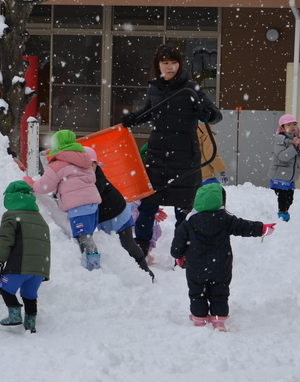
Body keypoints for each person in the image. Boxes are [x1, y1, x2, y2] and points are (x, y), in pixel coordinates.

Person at [121, 44, 222, 257]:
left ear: (179, 64)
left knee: (183, 208)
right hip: (157, 155)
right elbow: (148, 111)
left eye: (173, 62)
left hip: (185, 156)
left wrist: (205, 112)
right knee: (148, 204)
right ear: (158, 65)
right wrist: (132, 118)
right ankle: (142, 248)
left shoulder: (191, 88)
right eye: (165, 62)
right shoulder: (154, 88)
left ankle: (183, 251)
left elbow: (215, 115)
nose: (170, 67)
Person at [170, 183, 275, 332]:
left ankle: (199, 320)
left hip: (196, 268)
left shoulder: (188, 223)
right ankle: (219, 322)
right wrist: (262, 228)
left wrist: (179, 256)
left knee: (197, 293)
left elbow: (176, 248)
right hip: (220, 267)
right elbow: (243, 226)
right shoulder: (225, 219)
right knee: (219, 292)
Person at [24, 130, 102, 270]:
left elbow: (45, 186)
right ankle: (90, 262)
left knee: (83, 237)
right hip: (91, 204)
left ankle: (94, 267)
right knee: (87, 235)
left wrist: (31, 185)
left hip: (79, 207)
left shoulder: (58, 164)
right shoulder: (84, 159)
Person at [84, 146, 155, 281]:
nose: (89, 168)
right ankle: (121, 273)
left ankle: (146, 272)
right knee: (114, 245)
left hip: (118, 214)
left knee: (128, 244)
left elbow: (90, 196)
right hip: (106, 217)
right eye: (85, 165)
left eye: (92, 165)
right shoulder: (85, 178)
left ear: (96, 165)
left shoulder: (98, 179)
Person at [0, 181, 50, 333]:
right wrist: (44, 270)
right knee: (29, 295)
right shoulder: (40, 218)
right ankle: (30, 323)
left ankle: (15, 315)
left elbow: (6, 242)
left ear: (10, 198)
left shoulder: (11, 215)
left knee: (5, 288)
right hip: (39, 268)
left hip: (19, 265)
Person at [267, 114, 300, 222]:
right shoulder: (280, 140)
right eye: (289, 124)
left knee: (290, 199)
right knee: (283, 197)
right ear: (282, 128)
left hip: (290, 177)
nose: (292, 126)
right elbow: (283, 156)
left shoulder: (299, 140)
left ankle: (284, 212)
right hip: (279, 175)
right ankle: (283, 214)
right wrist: (294, 148)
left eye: (294, 124)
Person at [197, 121, 229, 186]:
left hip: (188, 174)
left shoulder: (188, 131)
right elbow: (211, 155)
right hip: (204, 175)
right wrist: (222, 171)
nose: (212, 125)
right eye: (212, 122)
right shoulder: (207, 134)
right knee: (214, 192)